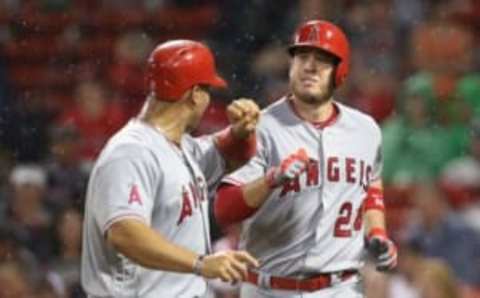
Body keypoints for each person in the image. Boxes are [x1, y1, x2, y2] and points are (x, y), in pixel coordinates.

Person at [214, 20, 397, 297]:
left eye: (322, 60)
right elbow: (224, 209)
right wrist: (269, 181)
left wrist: (377, 233)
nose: (309, 66)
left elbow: (370, 186)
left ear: (340, 71)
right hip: (270, 287)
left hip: (341, 288)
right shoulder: (260, 126)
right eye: (302, 57)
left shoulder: (366, 130)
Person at [81, 39, 260, 298]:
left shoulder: (181, 147)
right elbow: (123, 233)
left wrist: (243, 131)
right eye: (207, 90)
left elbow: (231, 155)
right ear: (196, 94)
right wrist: (201, 263)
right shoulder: (130, 152)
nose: (209, 100)